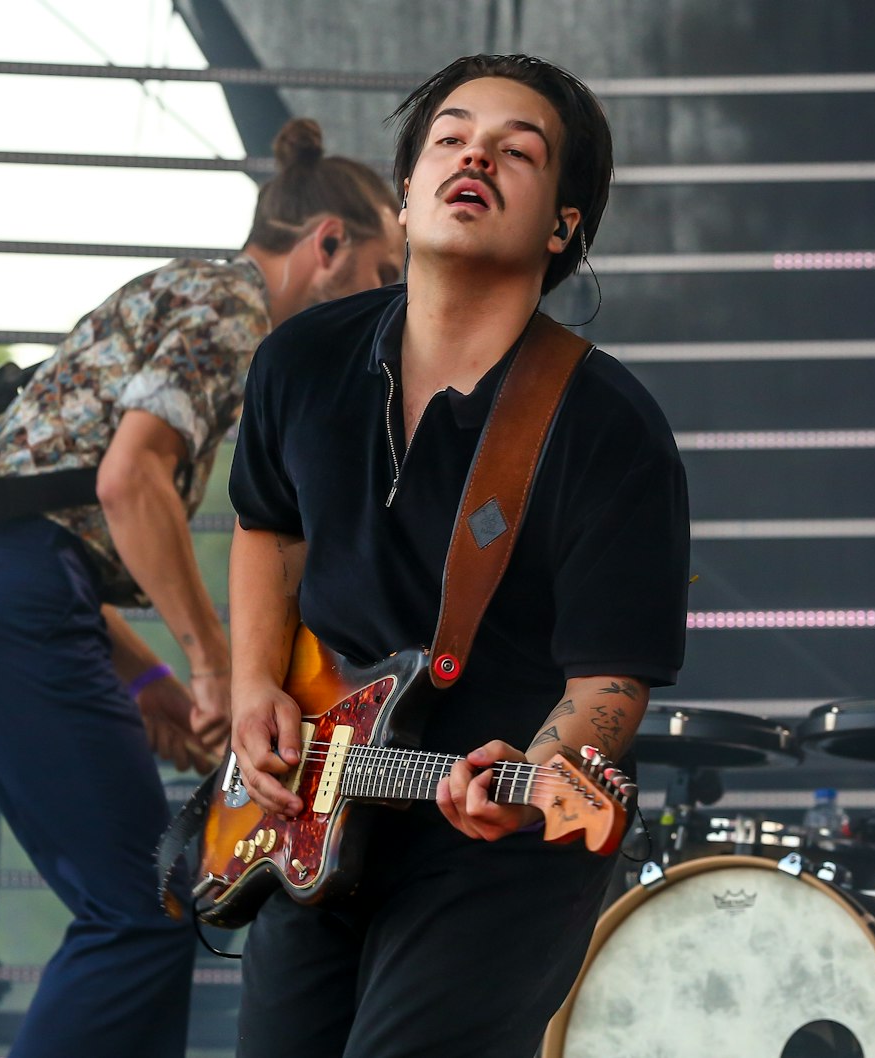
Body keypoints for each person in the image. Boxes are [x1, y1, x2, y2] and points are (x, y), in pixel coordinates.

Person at [0, 118, 401, 1058]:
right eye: (383, 276)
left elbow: (51, 528)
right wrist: (216, 668)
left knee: (146, 901)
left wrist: (149, 685)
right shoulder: (235, 312)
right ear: (327, 245)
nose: (389, 304)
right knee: (140, 905)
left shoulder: (190, 290)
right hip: (2, 595)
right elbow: (127, 484)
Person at [223, 54, 690, 1058]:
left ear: (562, 225)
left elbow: (609, 682)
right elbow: (267, 527)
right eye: (450, 136)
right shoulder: (298, 363)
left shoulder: (607, 426)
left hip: (495, 834)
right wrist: (251, 679)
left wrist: (546, 763)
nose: (474, 152)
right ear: (404, 187)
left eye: (517, 151)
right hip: (317, 798)